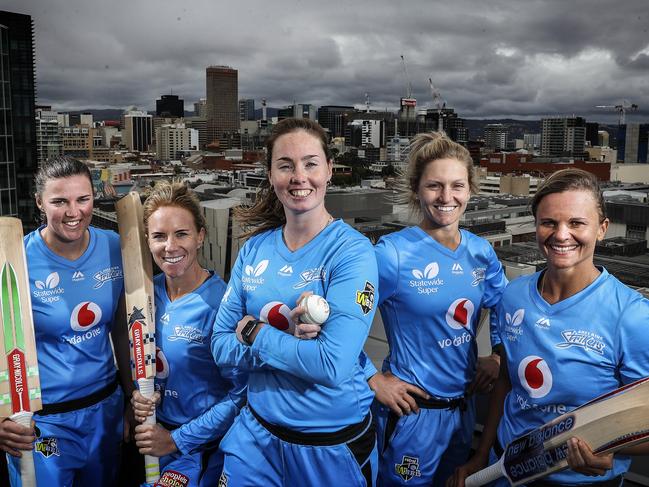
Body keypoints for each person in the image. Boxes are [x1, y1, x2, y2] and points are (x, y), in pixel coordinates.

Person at [449, 168, 649, 487]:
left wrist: (610, 447)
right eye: (549, 222)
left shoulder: (633, 316)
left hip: (583, 482)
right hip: (505, 470)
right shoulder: (513, 297)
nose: (561, 234)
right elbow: (506, 382)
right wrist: (480, 456)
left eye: (576, 223)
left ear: (602, 229)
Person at [211, 118, 379, 486]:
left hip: (329, 445)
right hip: (256, 436)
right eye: (285, 165)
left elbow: (331, 364)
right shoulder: (254, 249)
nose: (299, 176)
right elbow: (220, 345)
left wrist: (255, 333)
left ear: (330, 171)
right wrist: (291, 349)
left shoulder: (352, 252)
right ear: (271, 175)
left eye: (310, 163)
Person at [364, 132, 507, 486]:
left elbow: (506, 309)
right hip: (412, 416)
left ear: (471, 189)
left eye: (457, 185)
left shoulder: (481, 252)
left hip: (463, 411)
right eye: (434, 186)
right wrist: (371, 379)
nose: (447, 197)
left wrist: (499, 356)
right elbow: (339, 323)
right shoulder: (391, 255)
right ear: (416, 190)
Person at [0, 156, 133, 486]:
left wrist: (132, 398)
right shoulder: (15, 261)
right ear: (40, 203)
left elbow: (123, 328)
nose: (74, 213)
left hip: (105, 410)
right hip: (43, 423)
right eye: (59, 201)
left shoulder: (116, 247)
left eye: (82, 199)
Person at [130, 181, 245, 487]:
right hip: (152, 440)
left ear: (200, 236)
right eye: (159, 236)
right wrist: (139, 398)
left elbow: (241, 395)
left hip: (198, 449)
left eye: (181, 233)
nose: (170, 246)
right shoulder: (142, 295)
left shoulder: (222, 303)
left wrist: (177, 439)